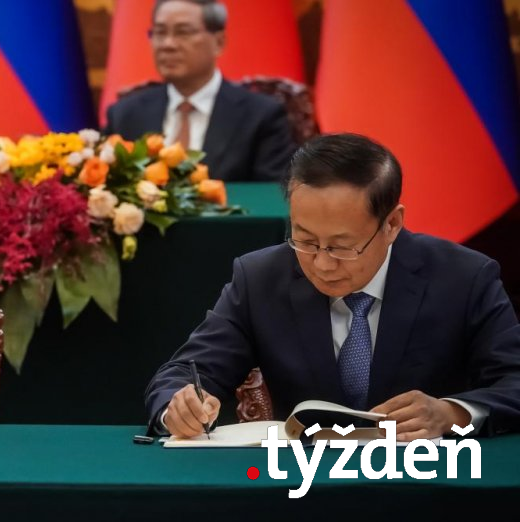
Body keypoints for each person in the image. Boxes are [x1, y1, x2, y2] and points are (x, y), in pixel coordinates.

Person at [146, 133, 520, 439]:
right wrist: (179, 406)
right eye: (305, 240)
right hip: (301, 483)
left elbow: (513, 380)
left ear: (392, 224)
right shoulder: (260, 277)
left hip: (427, 478)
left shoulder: (463, 277)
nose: (322, 264)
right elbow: (185, 373)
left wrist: (451, 413)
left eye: (342, 246)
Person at [102, 0, 294, 182]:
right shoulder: (125, 115)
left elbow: (271, 196)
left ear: (219, 42)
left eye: (183, 33)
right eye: (159, 33)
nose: (168, 44)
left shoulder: (261, 116)